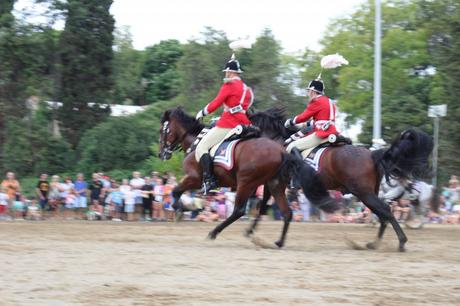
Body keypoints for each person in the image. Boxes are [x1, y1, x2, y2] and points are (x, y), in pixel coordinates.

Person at [195, 53, 254, 194]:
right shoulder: (247, 90)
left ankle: (210, 181)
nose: (226, 74)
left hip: (228, 124)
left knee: (201, 147)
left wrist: (202, 112)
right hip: (245, 123)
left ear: (231, 71)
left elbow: (216, 103)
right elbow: (246, 107)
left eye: (227, 71)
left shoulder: (229, 85)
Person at [284, 78, 338, 155]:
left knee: (291, 147)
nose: (308, 93)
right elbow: (321, 120)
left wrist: (291, 122)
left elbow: (303, 117)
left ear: (313, 91)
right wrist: (302, 125)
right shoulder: (329, 101)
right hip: (333, 131)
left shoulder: (316, 101)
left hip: (322, 133)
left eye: (308, 91)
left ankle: (301, 167)